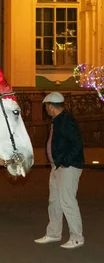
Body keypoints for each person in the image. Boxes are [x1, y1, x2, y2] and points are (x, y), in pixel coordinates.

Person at [35, 92, 85, 249]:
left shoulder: (66, 120)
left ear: (50, 106)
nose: (46, 110)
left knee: (67, 201)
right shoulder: (57, 120)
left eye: (46, 107)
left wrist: (65, 162)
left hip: (68, 167)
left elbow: (77, 144)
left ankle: (77, 237)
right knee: (54, 201)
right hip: (57, 166)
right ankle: (53, 233)